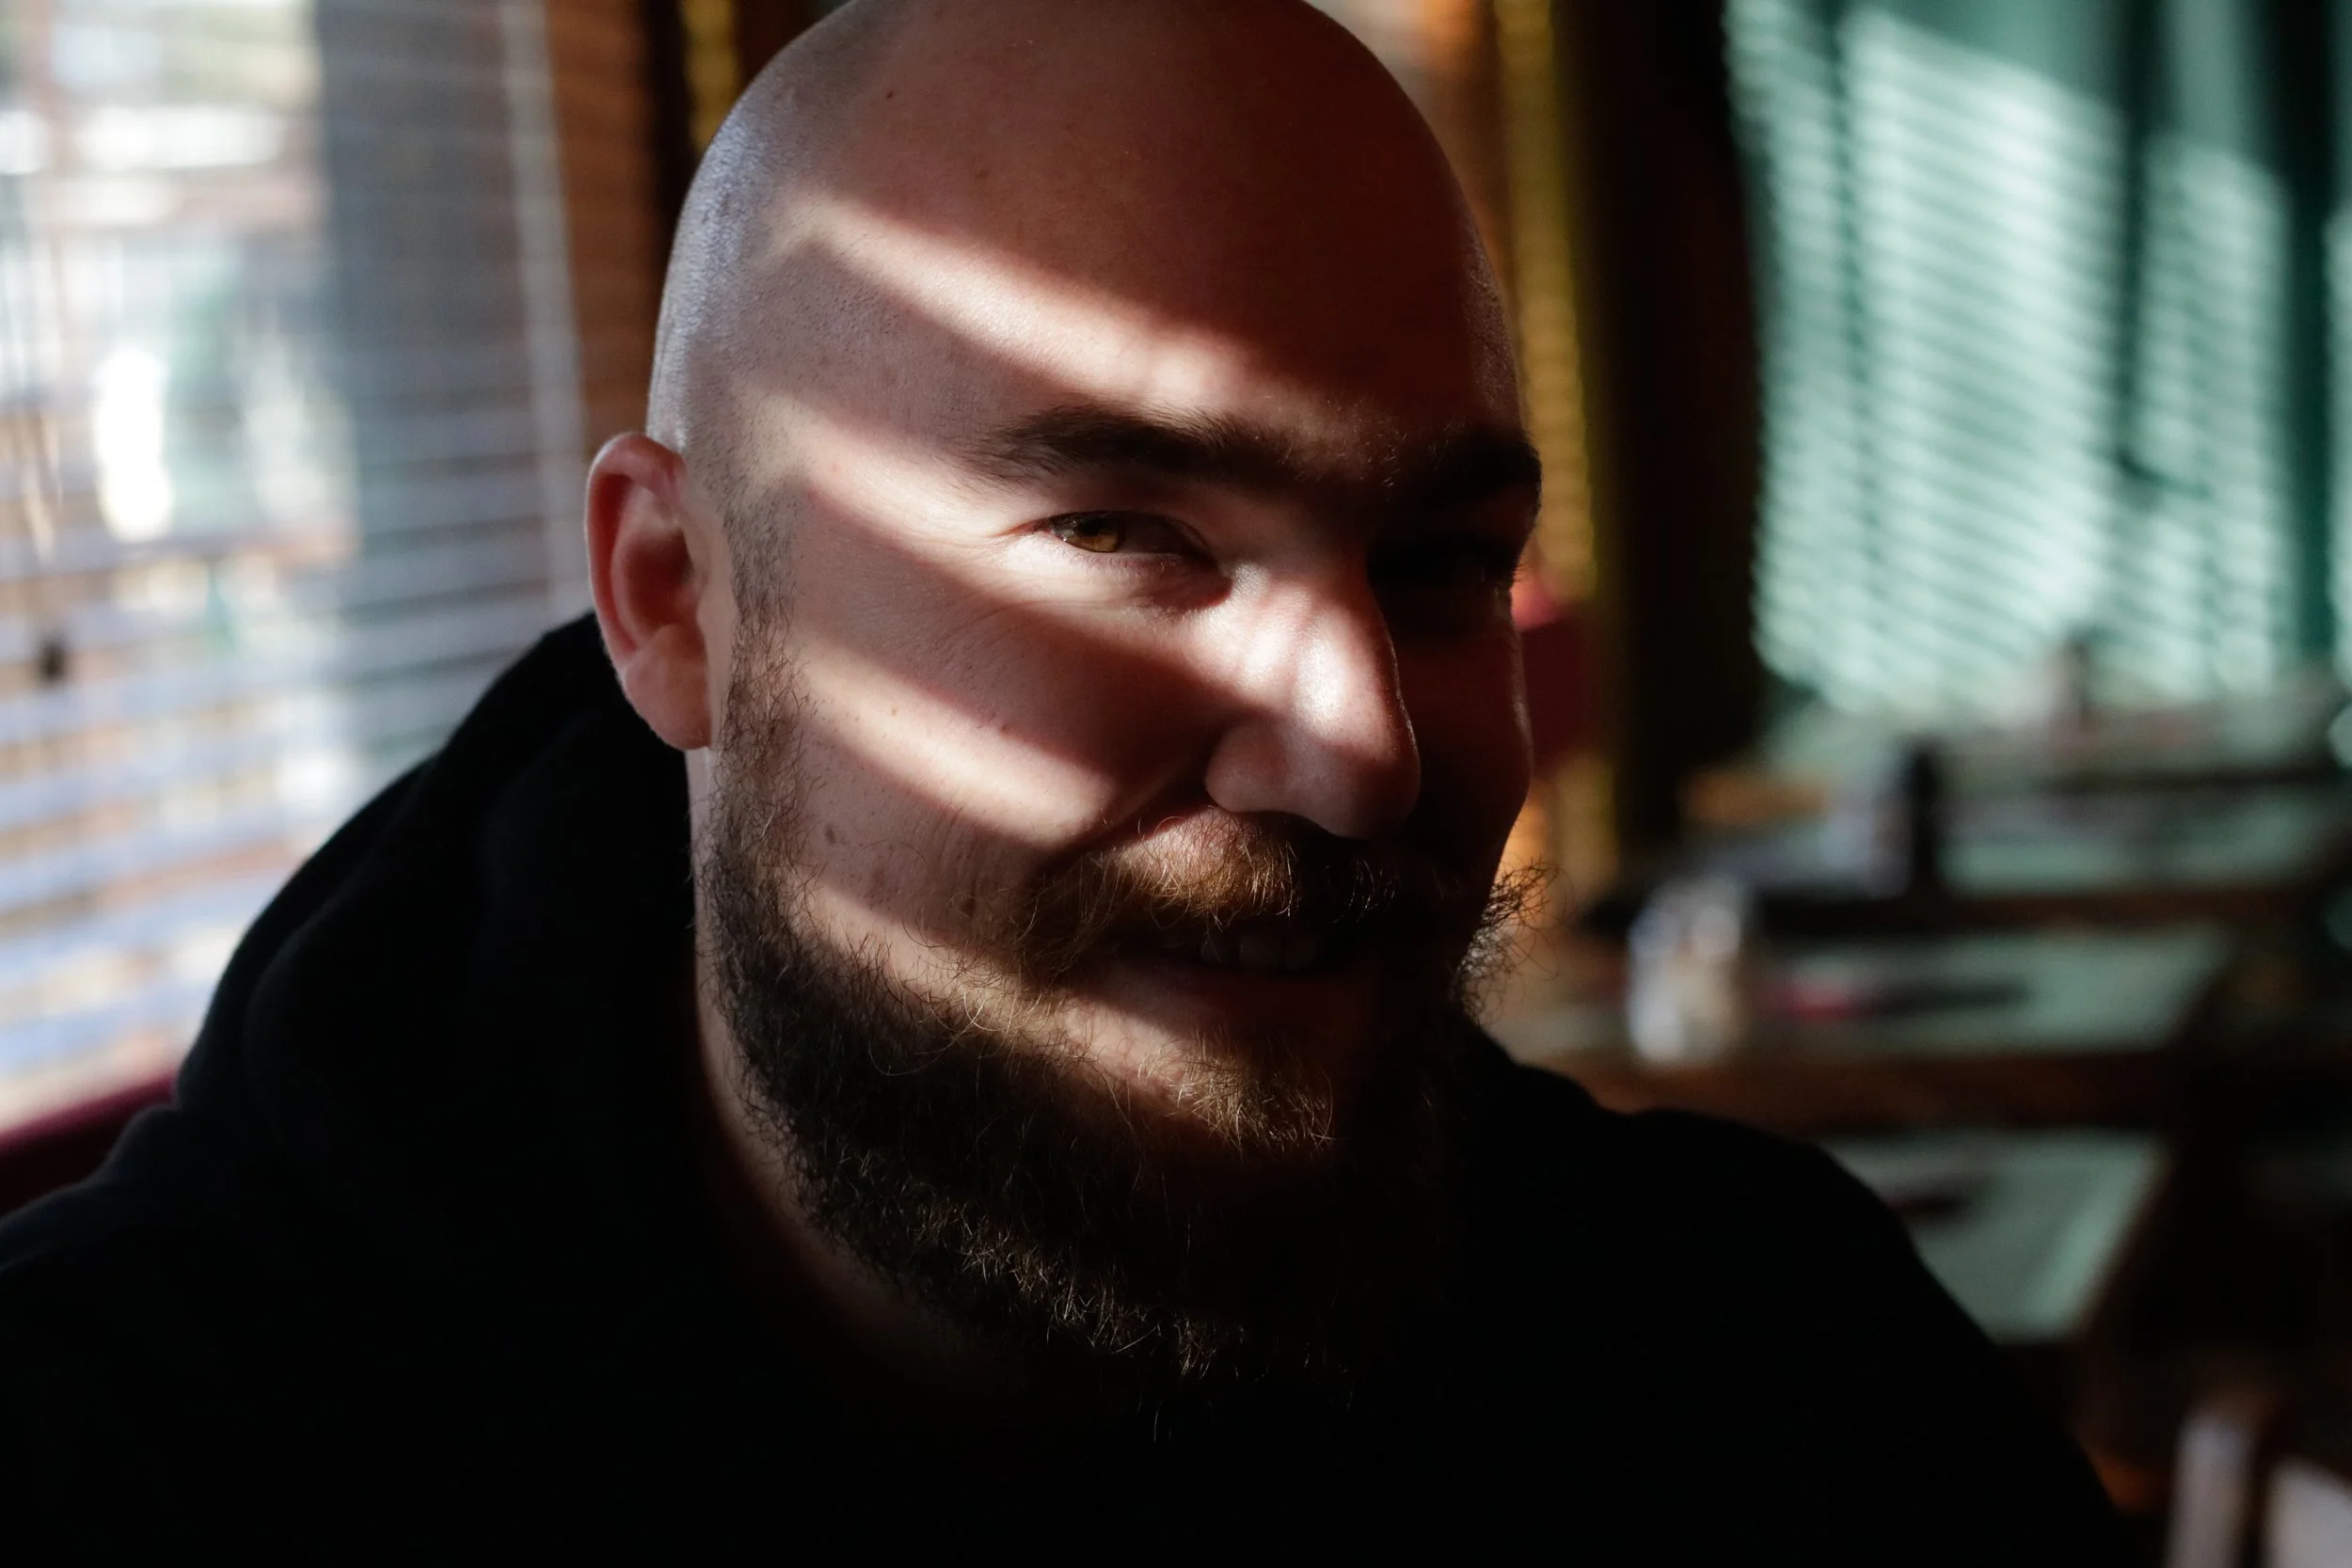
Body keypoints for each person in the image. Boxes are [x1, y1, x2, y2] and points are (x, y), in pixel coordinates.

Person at [0, 0, 2127, 1559]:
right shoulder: (126, 1470)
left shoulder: (1765, 1387)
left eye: (1437, 562)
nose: (1363, 748)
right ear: (676, 601)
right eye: (1129, 531)